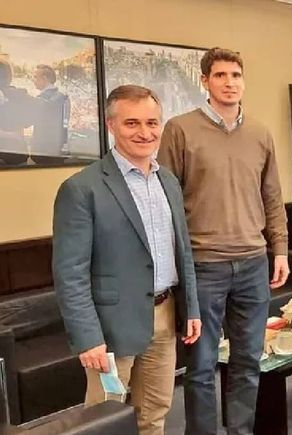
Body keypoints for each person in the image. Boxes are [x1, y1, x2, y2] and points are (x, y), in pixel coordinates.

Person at [52, 84, 201, 435]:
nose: (145, 132)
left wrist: (190, 308)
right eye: (132, 123)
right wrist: (88, 337)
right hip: (111, 326)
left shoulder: (169, 181)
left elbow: (183, 251)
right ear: (111, 126)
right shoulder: (82, 188)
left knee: (155, 412)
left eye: (152, 122)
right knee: (105, 420)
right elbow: (70, 273)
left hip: (164, 317)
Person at [157, 47, 290, 435]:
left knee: (248, 361)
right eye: (220, 75)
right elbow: (168, 202)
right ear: (205, 81)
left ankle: (240, 430)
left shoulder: (260, 133)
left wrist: (279, 249)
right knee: (200, 366)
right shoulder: (180, 129)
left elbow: (272, 196)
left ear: (243, 81)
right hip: (203, 266)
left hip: (253, 263)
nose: (229, 83)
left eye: (235, 75)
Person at [31, 64, 71, 156]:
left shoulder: (51, 99)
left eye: (36, 77)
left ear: (44, 79)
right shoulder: (63, 97)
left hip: (45, 150)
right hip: (55, 148)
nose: (33, 80)